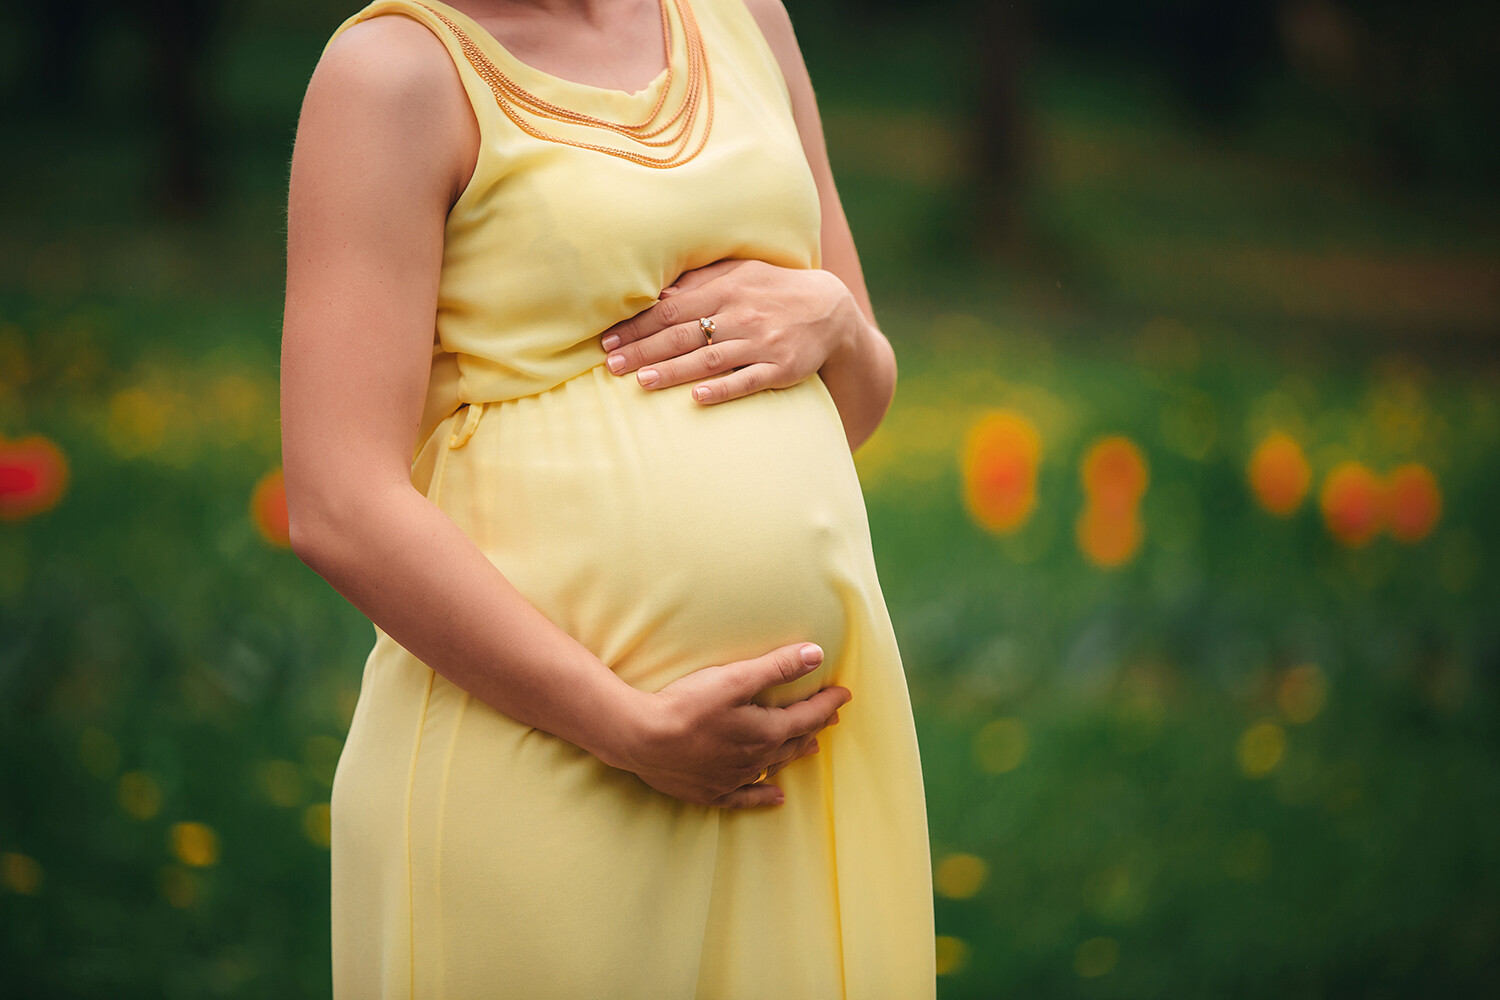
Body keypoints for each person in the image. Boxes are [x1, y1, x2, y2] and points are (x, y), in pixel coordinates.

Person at [280, 0, 934, 995]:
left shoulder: (749, 18)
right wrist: (629, 727)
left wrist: (837, 322)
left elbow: (862, 399)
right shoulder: (393, 75)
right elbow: (338, 501)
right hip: (543, 762)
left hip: (790, 779)